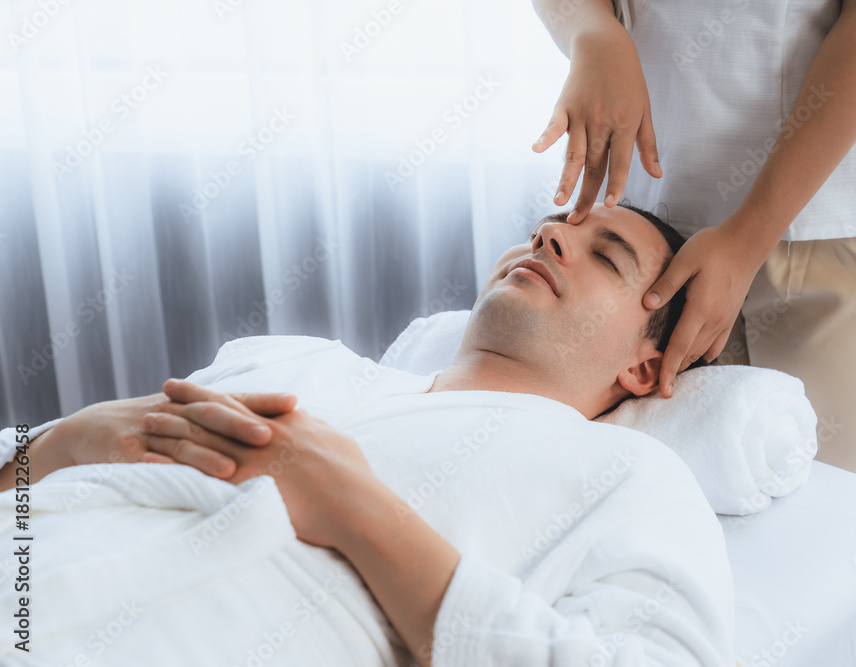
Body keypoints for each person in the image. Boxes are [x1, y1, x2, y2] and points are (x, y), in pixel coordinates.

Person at [0, 203, 734, 666]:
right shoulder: (289, 358)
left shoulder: (632, 475)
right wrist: (58, 444)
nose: (550, 234)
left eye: (606, 255)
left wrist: (354, 509)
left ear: (644, 367)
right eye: (553, 223)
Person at [530, 0, 856, 491]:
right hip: (654, 223)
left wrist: (748, 237)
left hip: (842, 217)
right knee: (655, 497)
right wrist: (591, 32)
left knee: (835, 503)